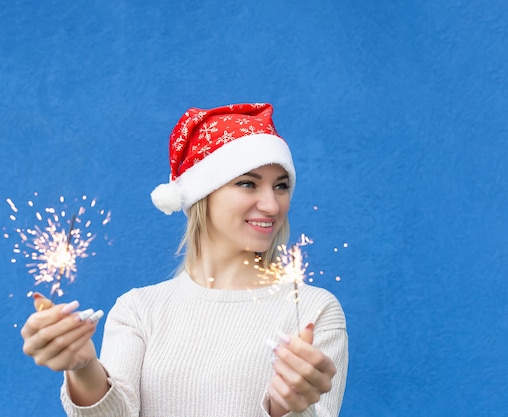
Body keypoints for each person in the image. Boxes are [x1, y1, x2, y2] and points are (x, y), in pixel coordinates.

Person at [21, 103, 349, 417]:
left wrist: (287, 407)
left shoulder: (310, 311)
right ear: (200, 195)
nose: (272, 206)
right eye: (247, 183)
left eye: (281, 186)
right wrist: (83, 368)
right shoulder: (138, 310)